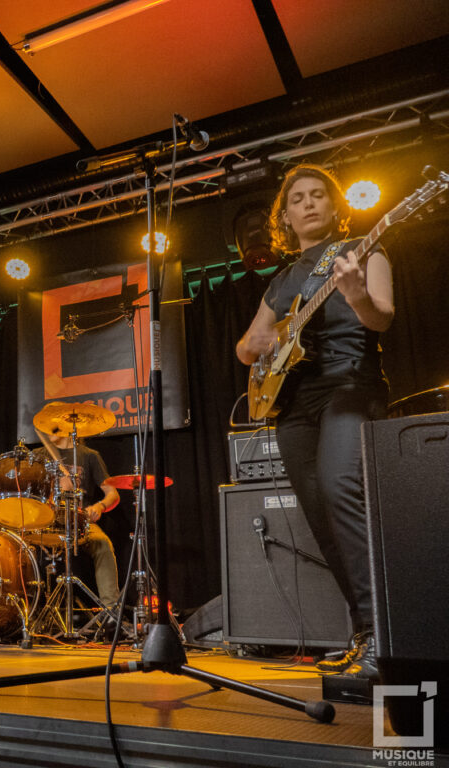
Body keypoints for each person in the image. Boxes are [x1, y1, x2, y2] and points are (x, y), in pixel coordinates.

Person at [236, 164, 394, 680]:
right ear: (285, 216)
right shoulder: (282, 280)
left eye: (318, 195)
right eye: (297, 198)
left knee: (341, 488)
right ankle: (364, 633)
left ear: (333, 203)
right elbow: (247, 347)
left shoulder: (361, 249)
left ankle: (387, 636)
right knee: (319, 513)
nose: (308, 203)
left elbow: (383, 316)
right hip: (294, 404)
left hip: (349, 383)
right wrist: (260, 346)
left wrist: (355, 295)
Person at [34, 431, 123, 615]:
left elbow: (113, 494)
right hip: (44, 521)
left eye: (52, 426)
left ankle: (111, 613)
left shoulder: (89, 456)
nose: (46, 430)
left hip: (79, 521)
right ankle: (27, 610)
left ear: (66, 427)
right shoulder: (37, 456)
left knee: (103, 544)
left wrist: (99, 507)